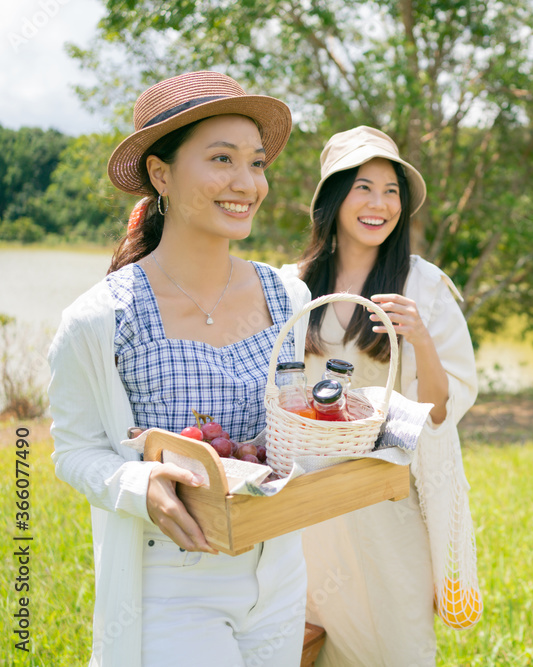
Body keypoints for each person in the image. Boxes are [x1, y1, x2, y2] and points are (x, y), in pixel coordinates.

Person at [48, 71, 312, 666]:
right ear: (161, 175)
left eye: (257, 163)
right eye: (222, 159)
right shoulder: (103, 318)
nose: (247, 183)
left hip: (278, 571)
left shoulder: (288, 297)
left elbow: (295, 415)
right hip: (171, 576)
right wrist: (138, 484)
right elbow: (73, 450)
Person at [290, 126, 478, 666]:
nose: (380, 204)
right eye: (363, 188)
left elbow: (442, 411)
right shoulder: (295, 285)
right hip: (310, 504)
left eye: (391, 190)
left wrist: (419, 338)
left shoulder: (424, 286)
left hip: (383, 498)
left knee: (398, 644)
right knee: (311, 642)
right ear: (334, 198)